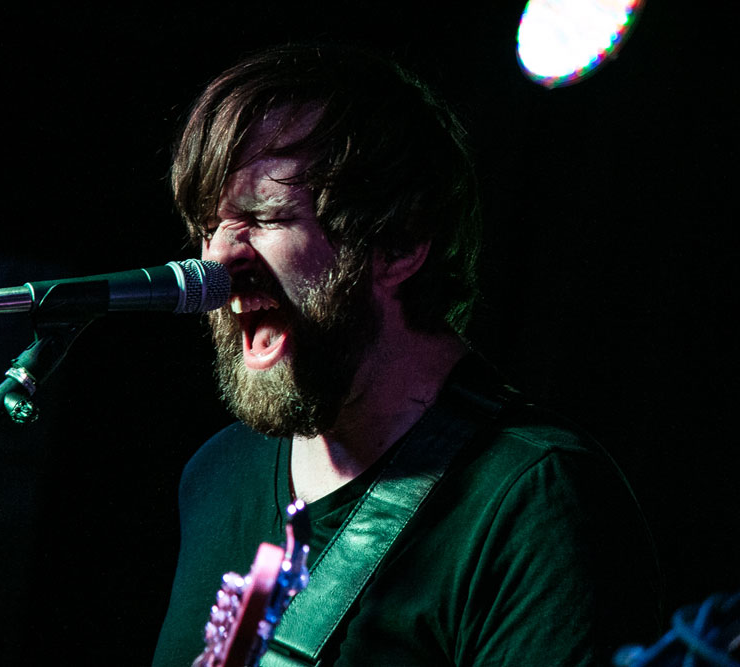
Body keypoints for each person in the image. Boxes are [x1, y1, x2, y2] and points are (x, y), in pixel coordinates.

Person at [153, 42, 662, 666]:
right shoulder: (216, 475)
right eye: (210, 226)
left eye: (264, 217)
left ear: (397, 244)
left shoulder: (537, 502)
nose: (216, 261)